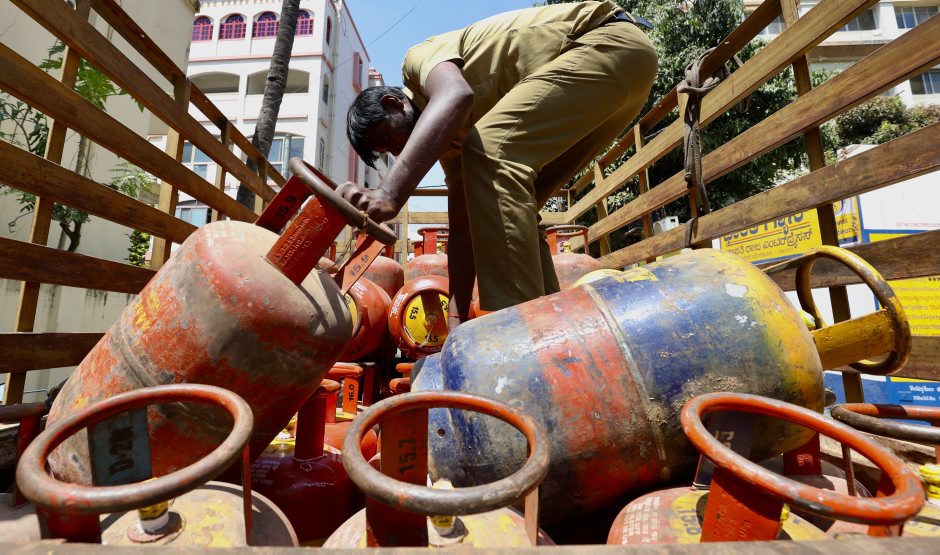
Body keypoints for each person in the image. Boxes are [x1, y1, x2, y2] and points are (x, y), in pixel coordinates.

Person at [338, 0, 657, 328]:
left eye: (389, 139)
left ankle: (518, 331)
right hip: (622, 83)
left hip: (609, 44)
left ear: (394, 103)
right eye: (389, 153)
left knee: (489, 151)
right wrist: (456, 317)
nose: (398, 151)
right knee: (515, 206)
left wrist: (389, 193)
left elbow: (456, 95)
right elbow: (462, 230)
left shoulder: (418, 63)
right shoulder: (453, 148)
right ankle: (550, 330)